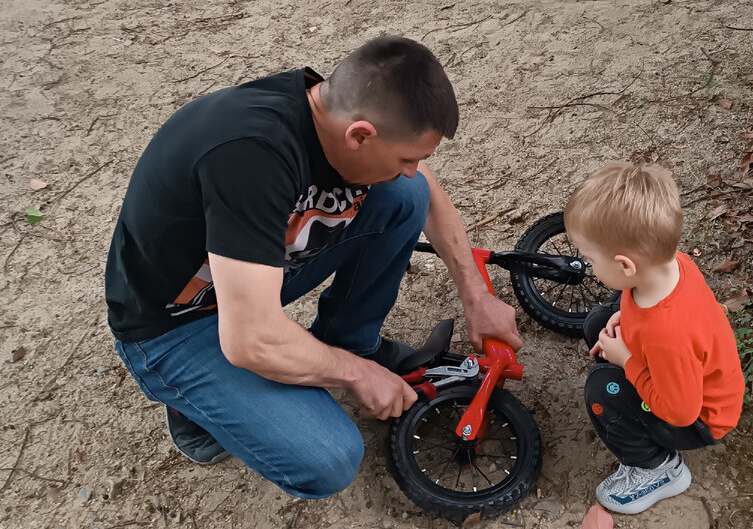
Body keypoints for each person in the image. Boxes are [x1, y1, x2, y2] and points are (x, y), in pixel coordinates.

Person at [105, 36, 520, 500]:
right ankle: (191, 406)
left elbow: (426, 194)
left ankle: (349, 343)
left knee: (406, 197)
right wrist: (356, 375)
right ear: (360, 134)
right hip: (177, 321)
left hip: (248, 276)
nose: (413, 168)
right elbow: (251, 339)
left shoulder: (330, 107)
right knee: (329, 459)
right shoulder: (250, 157)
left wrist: (476, 295)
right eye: (408, 157)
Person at [564, 162, 744, 515]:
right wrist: (624, 316)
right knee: (600, 321)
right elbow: (644, 308)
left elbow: (679, 411)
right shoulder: (674, 264)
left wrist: (626, 361)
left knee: (601, 390)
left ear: (625, 266)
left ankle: (658, 468)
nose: (587, 266)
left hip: (699, 417)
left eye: (589, 259)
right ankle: (624, 367)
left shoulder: (667, 333)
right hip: (680, 370)